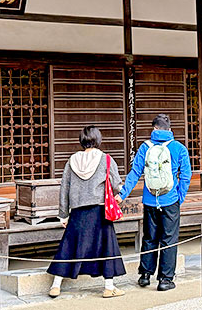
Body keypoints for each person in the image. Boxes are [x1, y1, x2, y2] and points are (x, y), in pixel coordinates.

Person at [47, 126, 126, 298]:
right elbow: (116, 184)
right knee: (107, 246)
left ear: (82, 140)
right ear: (98, 139)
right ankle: (109, 287)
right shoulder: (106, 159)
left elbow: (64, 189)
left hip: (77, 211)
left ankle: (56, 285)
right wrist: (121, 194)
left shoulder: (72, 161)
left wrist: (63, 214)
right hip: (99, 210)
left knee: (68, 246)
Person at [119, 114, 192, 291]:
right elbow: (186, 176)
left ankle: (145, 275)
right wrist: (178, 197)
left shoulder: (145, 147)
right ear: (169, 129)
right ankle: (165, 279)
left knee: (150, 237)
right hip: (170, 200)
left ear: (154, 129)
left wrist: (122, 194)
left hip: (150, 200)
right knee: (169, 239)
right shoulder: (179, 148)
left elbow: (135, 173)